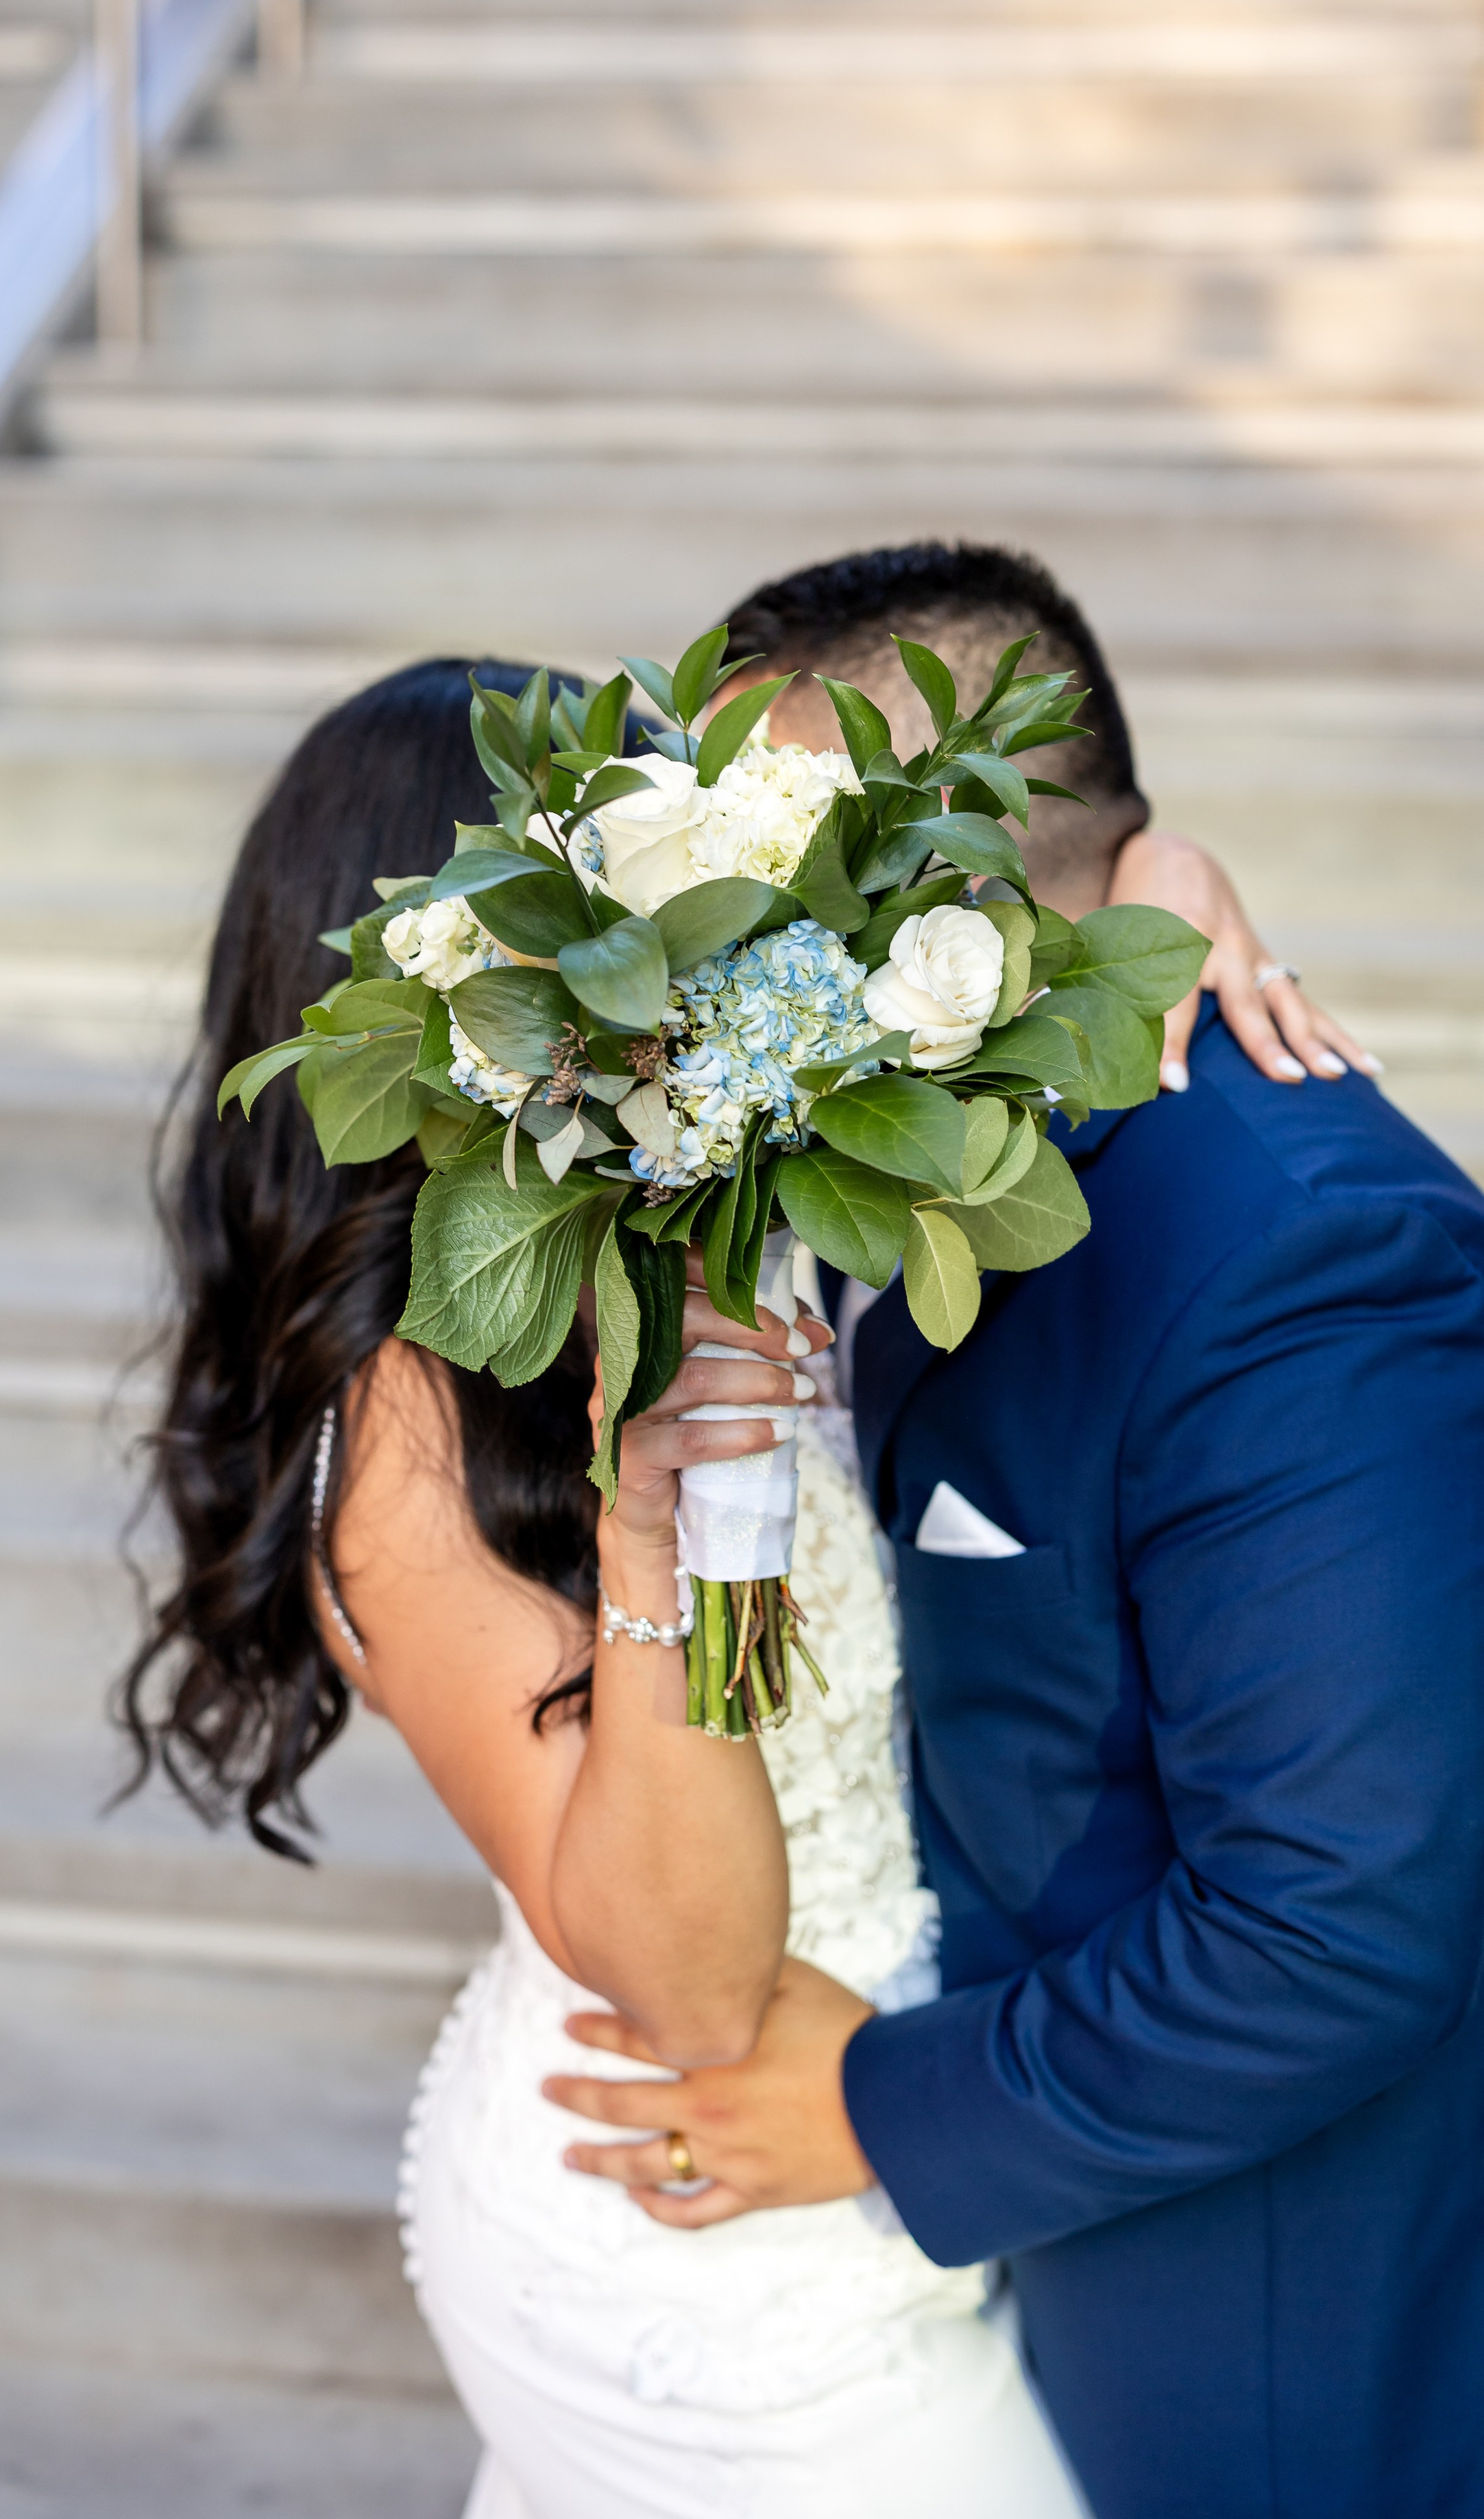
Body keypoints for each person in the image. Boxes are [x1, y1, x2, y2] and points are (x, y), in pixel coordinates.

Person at [123, 614, 1352, 2519]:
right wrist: (650, 1532)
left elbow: (989, 948)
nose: (703, 942)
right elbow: (695, 1996)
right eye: (622, 908)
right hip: (691, 2210)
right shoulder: (405, 1442)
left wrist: (1160, 889)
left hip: (883, 2150)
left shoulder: (724, 1180)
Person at [546, 547, 1484, 2519]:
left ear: (942, 897)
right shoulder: (871, 1136)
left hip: (1249, 2348)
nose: (715, 950)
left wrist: (881, 2111)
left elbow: (1338, 1924)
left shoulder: (1296, 1257)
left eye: (763, 882)